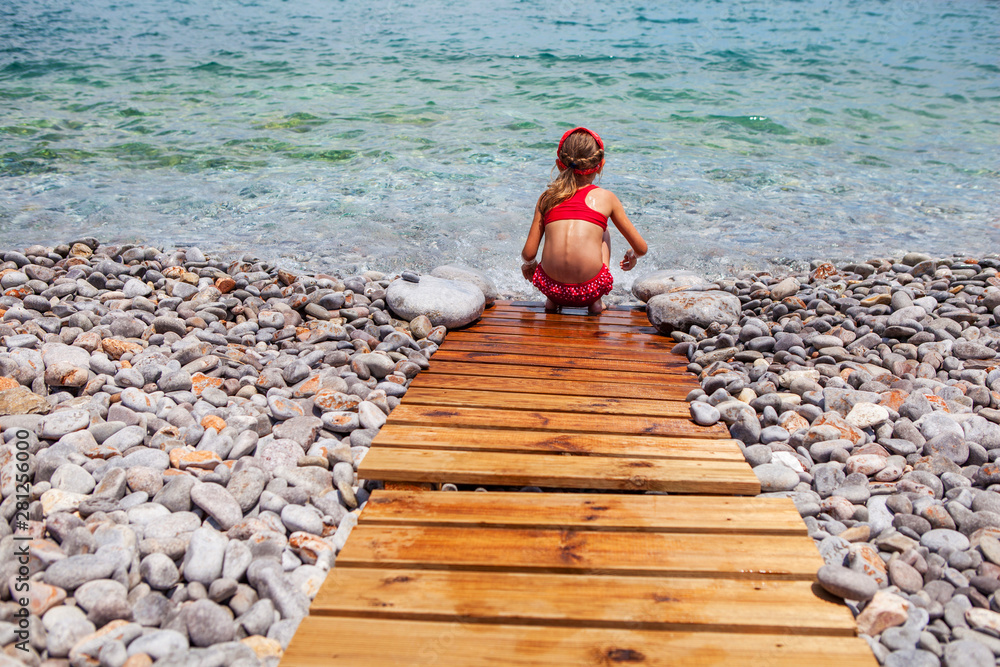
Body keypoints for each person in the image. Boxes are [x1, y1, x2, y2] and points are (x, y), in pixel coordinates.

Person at [520, 127, 647, 314]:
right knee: (603, 230)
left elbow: (528, 253)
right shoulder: (607, 198)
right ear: (601, 165)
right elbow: (641, 248)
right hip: (590, 290)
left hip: (550, 288)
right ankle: (595, 302)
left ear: (559, 164)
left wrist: (529, 266)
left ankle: (552, 302)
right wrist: (632, 255)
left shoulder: (547, 198)